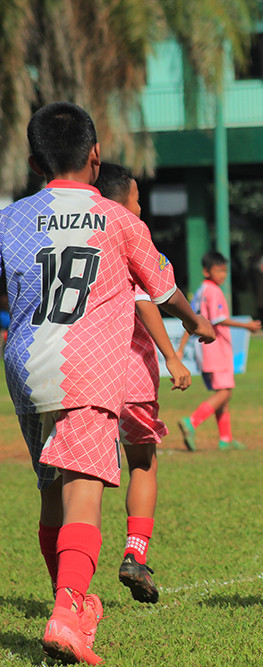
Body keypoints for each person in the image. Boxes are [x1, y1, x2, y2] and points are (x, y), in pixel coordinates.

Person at [0, 101, 214, 664]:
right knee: (83, 500)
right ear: (95, 156)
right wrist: (196, 324)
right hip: (88, 372)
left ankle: (66, 600)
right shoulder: (120, 220)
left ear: (32, 159)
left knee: (51, 493)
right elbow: (163, 291)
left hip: (25, 371)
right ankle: (69, 612)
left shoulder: (12, 218)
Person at [95, 162, 195, 604]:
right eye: (137, 199)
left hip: (82, 372)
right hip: (131, 375)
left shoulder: (83, 235)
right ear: (124, 202)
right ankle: (135, 554)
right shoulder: (130, 232)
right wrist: (173, 356)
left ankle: (69, 579)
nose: (141, 207)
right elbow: (146, 299)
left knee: (80, 477)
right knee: (143, 464)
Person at [177, 251, 262, 451]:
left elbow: (191, 320)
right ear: (206, 271)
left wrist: (181, 349)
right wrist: (246, 326)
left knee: (221, 392)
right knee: (225, 392)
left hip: (204, 350)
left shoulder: (200, 291)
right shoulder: (213, 291)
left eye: (224, 271)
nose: (223, 275)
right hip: (215, 348)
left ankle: (226, 439)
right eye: (218, 270)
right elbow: (218, 319)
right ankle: (192, 421)